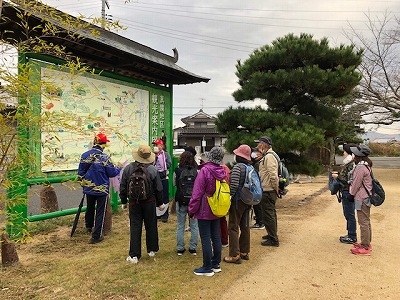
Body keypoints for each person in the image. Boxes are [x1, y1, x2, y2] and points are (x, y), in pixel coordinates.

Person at [120, 145, 165, 264]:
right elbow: (159, 188)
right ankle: (152, 249)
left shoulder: (129, 168)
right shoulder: (152, 170)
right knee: (151, 225)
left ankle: (134, 255)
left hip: (134, 203)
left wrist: (124, 201)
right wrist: (160, 203)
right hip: (149, 202)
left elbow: (123, 186)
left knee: (135, 227)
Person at [188, 146, 227, 277]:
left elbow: (197, 193)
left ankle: (207, 267)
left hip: (205, 207)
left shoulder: (205, 171)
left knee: (205, 237)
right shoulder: (222, 171)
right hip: (217, 207)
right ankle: (216, 264)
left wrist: (192, 210)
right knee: (216, 235)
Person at [78, 132, 121, 244]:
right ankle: (96, 235)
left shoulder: (85, 155)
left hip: (88, 186)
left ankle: (88, 226)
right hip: (101, 188)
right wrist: (119, 168)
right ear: (104, 144)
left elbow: (80, 172)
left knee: (90, 207)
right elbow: (112, 173)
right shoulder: (104, 157)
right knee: (100, 211)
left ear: (95, 141)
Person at [224, 144, 252, 264]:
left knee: (233, 226)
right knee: (245, 226)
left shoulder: (237, 168)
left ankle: (234, 254)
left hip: (237, 201)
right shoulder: (250, 168)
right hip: (248, 200)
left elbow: (234, 185)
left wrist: (229, 197)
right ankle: (244, 251)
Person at [349, 144, 374, 255]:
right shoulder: (367, 165)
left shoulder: (360, 168)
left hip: (361, 198)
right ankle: (366, 242)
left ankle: (365, 246)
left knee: (363, 222)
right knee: (366, 221)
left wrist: (351, 194)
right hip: (366, 197)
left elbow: (356, 184)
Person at [256, 136, 280, 247]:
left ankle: (273, 238)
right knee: (270, 213)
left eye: (259, 144)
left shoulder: (269, 157)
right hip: (269, 189)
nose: (257, 146)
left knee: (269, 214)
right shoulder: (269, 155)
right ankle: (272, 233)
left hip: (268, 189)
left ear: (263, 145)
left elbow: (273, 174)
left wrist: (276, 188)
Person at [331, 144, 357, 244]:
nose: (343, 153)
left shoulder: (350, 164)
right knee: (348, 213)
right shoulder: (350, 163)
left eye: (345, 151)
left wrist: (336, 177)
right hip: (346, 191)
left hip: (347, 191)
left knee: (349, 214)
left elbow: (348, 180)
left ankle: (352, 235)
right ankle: (350, 233)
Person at [174, 151, 199, 256]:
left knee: (180, 225)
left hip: (181, 199)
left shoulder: (178, 170)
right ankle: (193, 248)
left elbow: (174, 183)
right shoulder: (196, 171)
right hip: (193, 200)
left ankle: (180, 248)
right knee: (194, 225)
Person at [153, 138, 172, 222]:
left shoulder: (166, 154)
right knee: (156, 196)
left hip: (164, 177)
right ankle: (157, 214)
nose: (156, 146)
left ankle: (165, 214)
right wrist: (155, 157)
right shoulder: (152, 155)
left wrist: (162, 162)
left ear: (162, 146)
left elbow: (169, 164)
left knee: (164, 196)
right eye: (154, 145)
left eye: (157, 145)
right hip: (155, 177)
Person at [250, 147, 265, 230]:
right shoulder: (257, 162)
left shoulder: (258, 163)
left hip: (259, 186)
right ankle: (261, 220)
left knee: (258, 205)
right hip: (260, 186)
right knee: (258, 205)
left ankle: (260, 222)